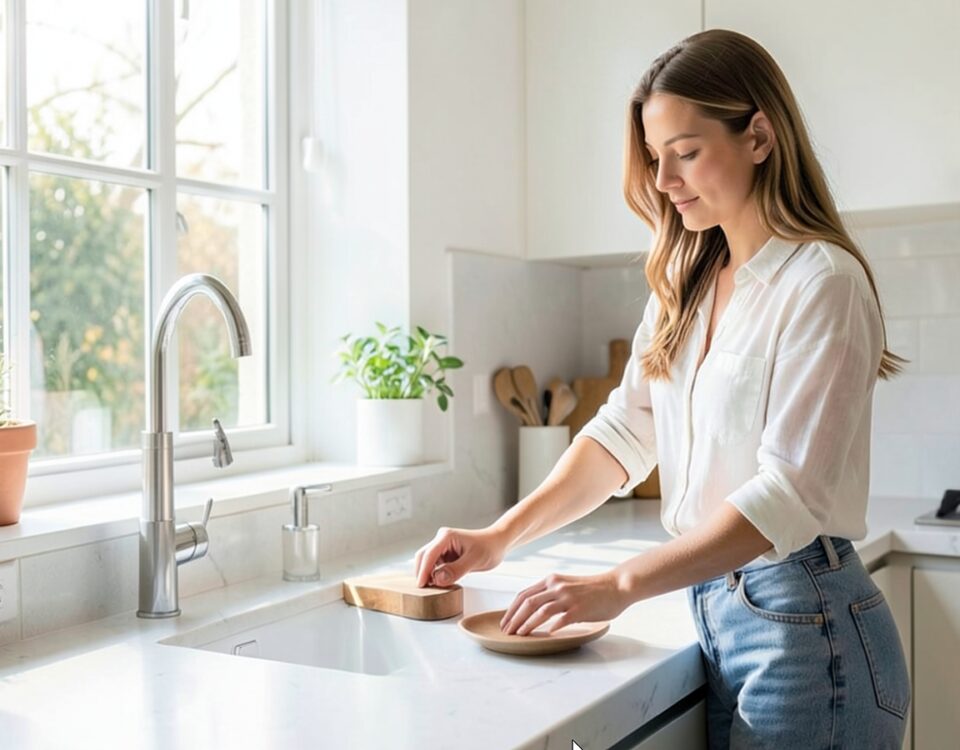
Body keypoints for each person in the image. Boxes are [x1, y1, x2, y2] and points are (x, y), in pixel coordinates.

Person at [414, 28, 910, 749]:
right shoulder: (688, 283)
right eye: (655, 158)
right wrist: (499, 538)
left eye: (686, 152)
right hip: (717, 612)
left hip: (810, 633)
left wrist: (617, 585)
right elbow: (623, 433)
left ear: (760, 136)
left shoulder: (822, 283)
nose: (664, 181)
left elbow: (784, 500)